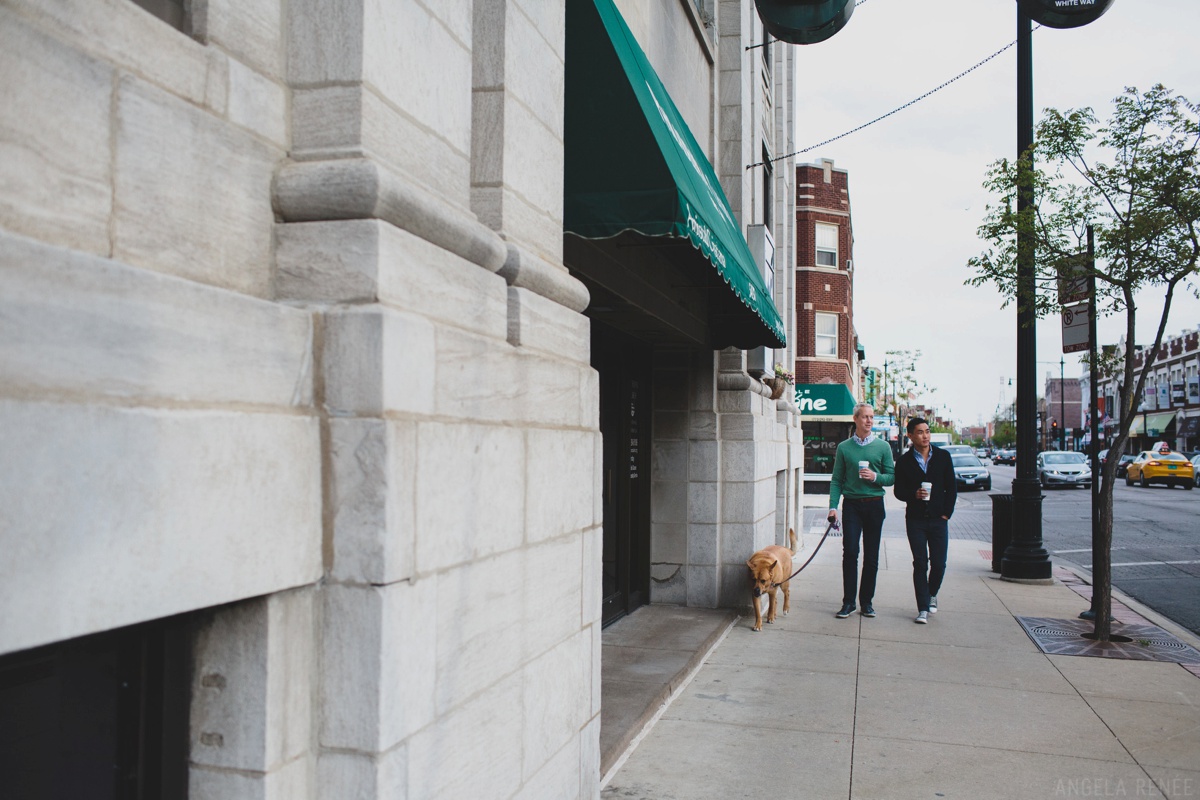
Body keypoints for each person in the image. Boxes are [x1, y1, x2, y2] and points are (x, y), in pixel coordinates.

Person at [827, 403, 895, 619]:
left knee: (872, 556)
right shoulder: (844, 447)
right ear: (855, 419)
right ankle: (848, 602)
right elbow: (837, 480)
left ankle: (867, 602)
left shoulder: (883, 447)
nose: (869, 421)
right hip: (853, 505)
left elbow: (891, 477)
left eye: (872, 417)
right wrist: (833, 507)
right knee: (850, 553)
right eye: (865, 417)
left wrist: (875, 477)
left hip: (875, 504)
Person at [893, 418, 957, 624]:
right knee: (920, 563)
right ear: (910, 435)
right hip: (916, 520)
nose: (925, 436)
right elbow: (898, 492)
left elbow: (952, 489)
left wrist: (946, 513)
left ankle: (932, 594)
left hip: (939, 519)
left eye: (927, 431)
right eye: (920, 432)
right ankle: (922, 608)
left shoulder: (943, 457)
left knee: (939, 564)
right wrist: (914, 494)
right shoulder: (904, 462)